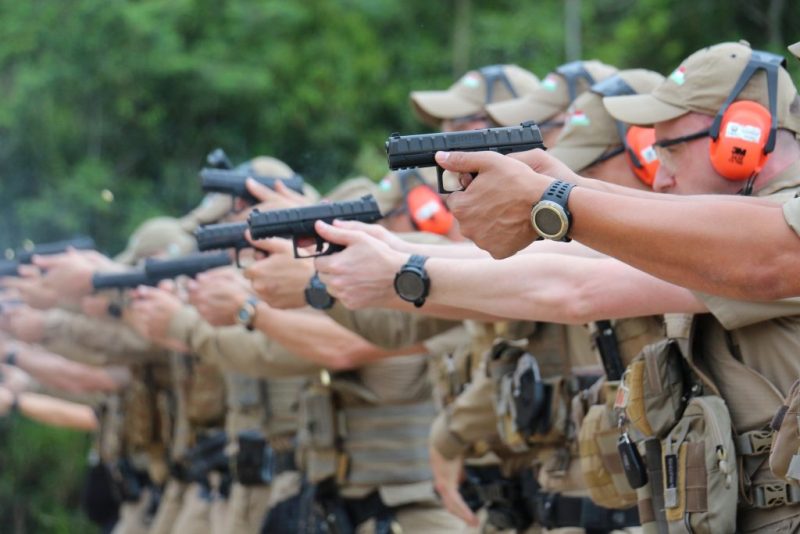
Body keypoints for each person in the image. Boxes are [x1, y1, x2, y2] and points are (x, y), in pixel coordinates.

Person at [429, 45, 800, 301]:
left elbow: (577, 290)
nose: (659, 178)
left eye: (669, 150)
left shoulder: (749, 246)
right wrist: (567, 187)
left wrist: (551, 199)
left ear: (743, 137)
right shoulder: (757, 225)